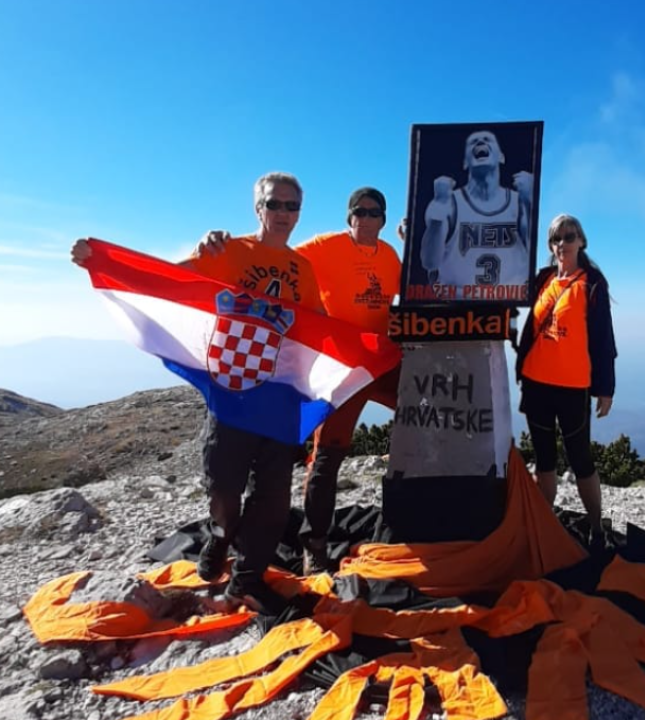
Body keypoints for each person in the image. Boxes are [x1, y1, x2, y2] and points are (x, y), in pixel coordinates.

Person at [71, 171, 322, 615]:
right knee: (224, 487)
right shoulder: (228, 251)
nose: (283, 213)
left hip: (278, 397)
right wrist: (104, 264)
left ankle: (247, 580)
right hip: (232, 393)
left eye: (292, 205)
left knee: (273, 500)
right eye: (274, 203)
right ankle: (220, 535)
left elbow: (318, 328)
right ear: (258, 208)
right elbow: (169, 280)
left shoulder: (303, 269)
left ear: (299, 213)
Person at [195, 187, 401, 575]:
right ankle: (314, 544)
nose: (366, 218)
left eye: (374, 213)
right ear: (349, 216)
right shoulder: (323, 247)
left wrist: (415, 243)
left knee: (428, 407)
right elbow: (274, 254)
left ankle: (425, 512)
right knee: (328, 454)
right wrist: (219, 245)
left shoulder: (390, 255)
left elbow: (415, 288)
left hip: (380, 360)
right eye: (359, 211)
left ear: (383, 219)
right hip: (340, 367)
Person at [514, 213, 616, 542]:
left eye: (569, 237)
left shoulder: (592, 283)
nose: (562, 243)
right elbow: (504, 284)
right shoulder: (543, 279)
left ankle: (597, 529)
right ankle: (543, 531)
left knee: (581, 460)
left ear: (581, 241)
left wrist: (605, 388)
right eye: (556, 239)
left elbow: (603, 338)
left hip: (573, 386)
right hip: (535, 382)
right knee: (544, 460)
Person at [420, 129, 533, 295]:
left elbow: (533, 253)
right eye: (473, 141)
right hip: (455, 304)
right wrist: (439, 209)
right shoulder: (448, 201)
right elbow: (429, 262)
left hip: (505, 304)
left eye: (488, 139)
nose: (481, 142)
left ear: (501, 157)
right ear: (465, 162)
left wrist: (530, 202)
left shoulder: (519, 201)